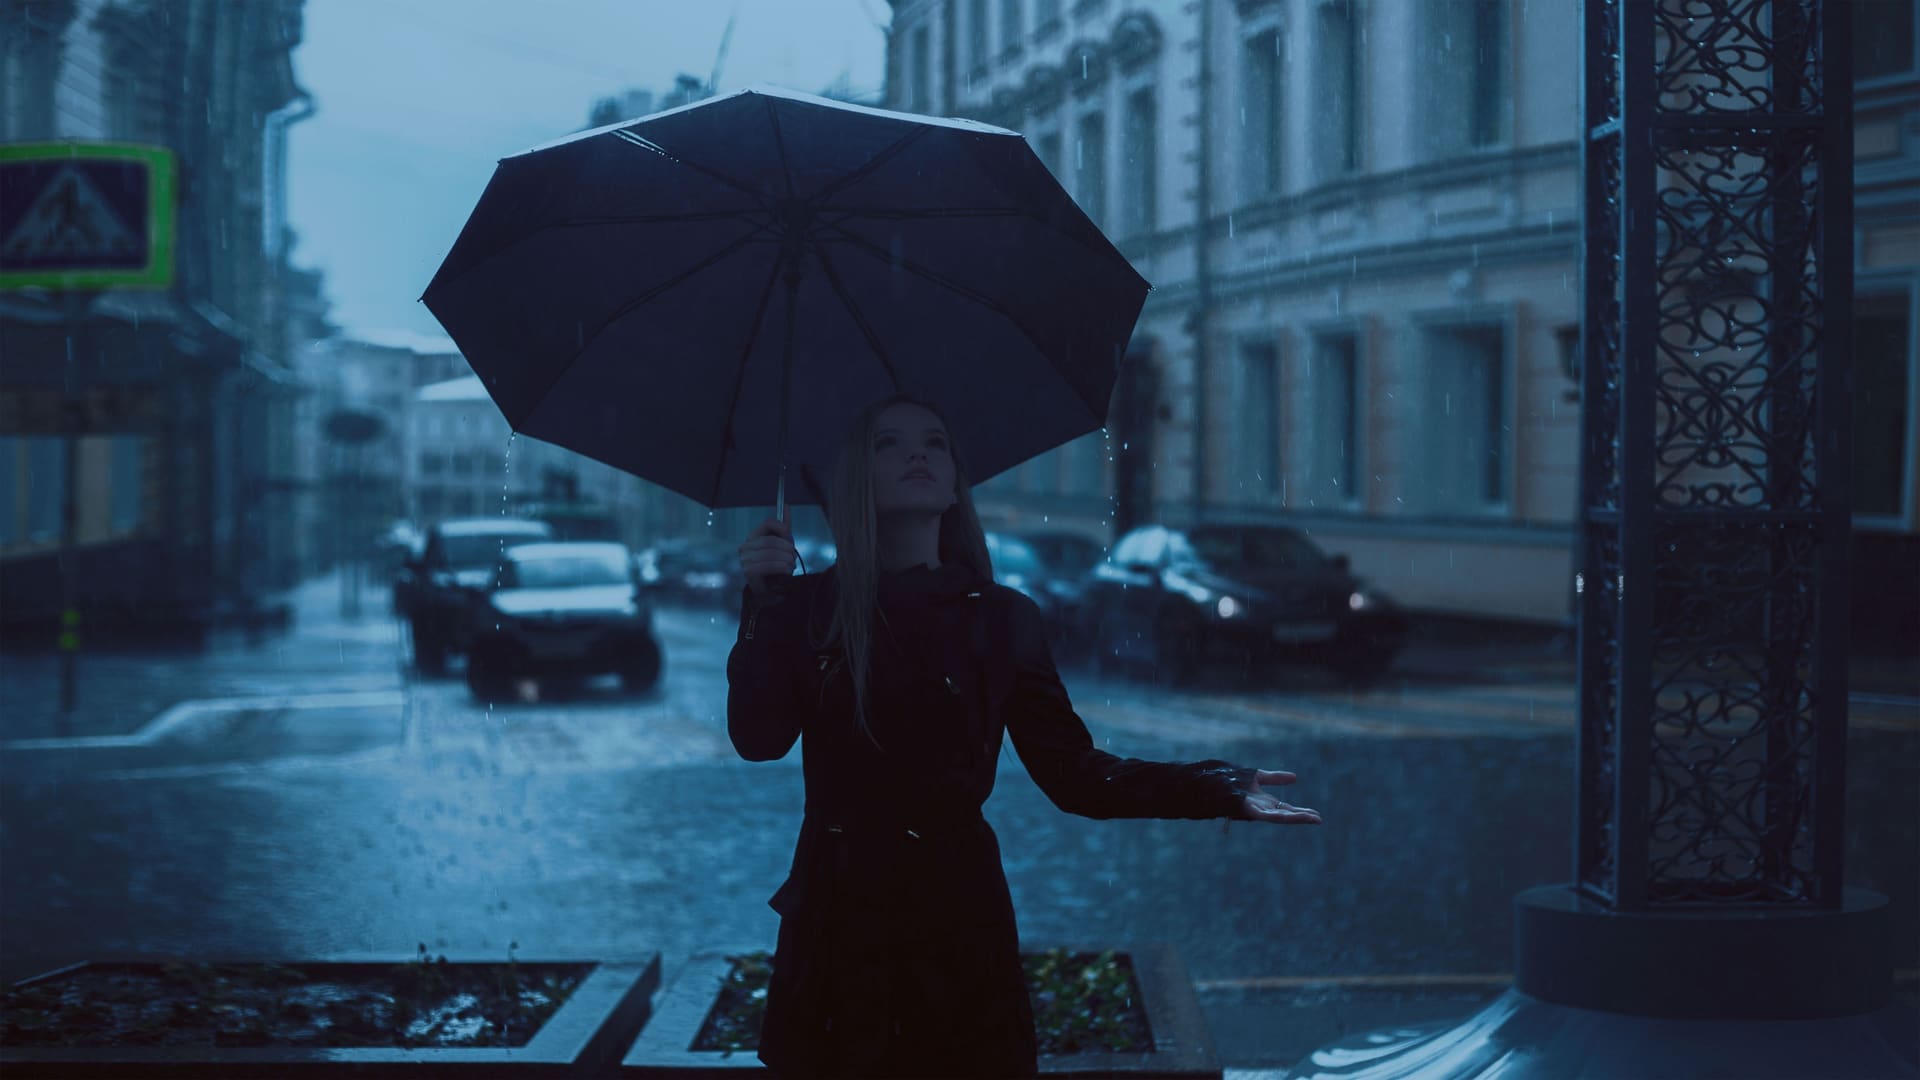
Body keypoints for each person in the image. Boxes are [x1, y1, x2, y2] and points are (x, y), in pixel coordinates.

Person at [727, 393, 1322, 1078]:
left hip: (955, 923)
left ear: (955, 481)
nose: (919, 453)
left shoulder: (999, 617)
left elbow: (1076, 776)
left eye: (936, 442)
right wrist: (762, 606)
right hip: (837, 926)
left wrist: (1214, 787)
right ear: (854, 477)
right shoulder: (808, 608)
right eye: (889, 442)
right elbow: (758, 739)